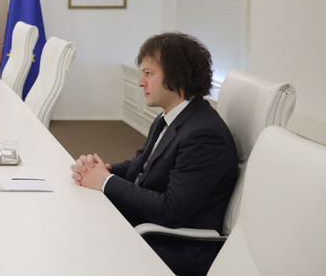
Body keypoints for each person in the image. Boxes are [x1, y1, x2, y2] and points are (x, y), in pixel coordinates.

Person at [69, 32, 238, 276]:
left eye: (148, 74)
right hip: (147, 224)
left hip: (173, 245)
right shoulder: (168, 117)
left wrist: (106, 182)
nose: (140, 82)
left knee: (78, 243)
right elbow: (142, 165)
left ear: (178, 76)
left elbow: (171, 211)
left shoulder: (204, 135)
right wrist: (101, 171)